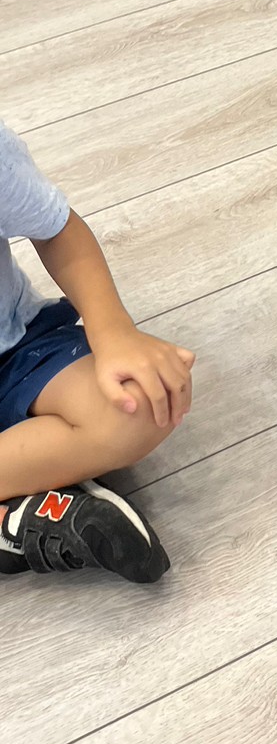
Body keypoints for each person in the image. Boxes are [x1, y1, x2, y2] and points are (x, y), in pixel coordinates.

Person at [0, 122, 194, 582]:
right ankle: (22, 507)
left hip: (17, 349)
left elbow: (55, 229)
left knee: (140, 401)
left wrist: (114, 333)